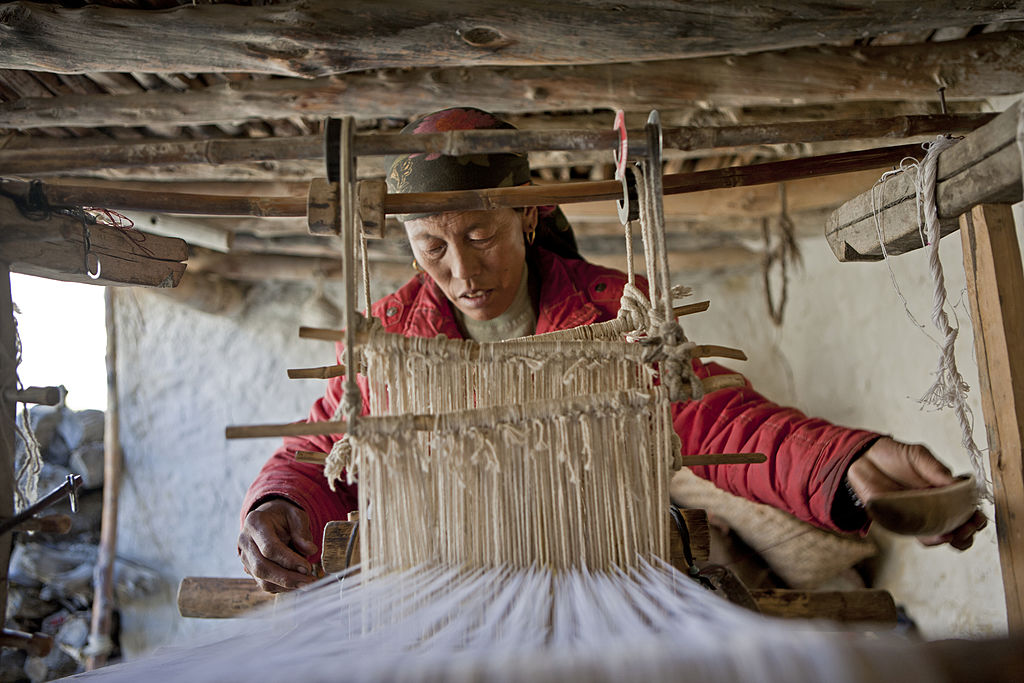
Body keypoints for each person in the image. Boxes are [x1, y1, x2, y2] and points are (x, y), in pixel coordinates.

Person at [238, 108, 987, 593]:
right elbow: (322, 449)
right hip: (444, 587)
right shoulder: (390, 340)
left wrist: (847, 463)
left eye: (479, 236)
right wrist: (278, 502)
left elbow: (726, 423)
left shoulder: (608, 316)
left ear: (528, 215)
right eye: (432, 246)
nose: (462, 270)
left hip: (600, 579)